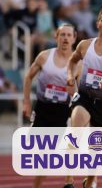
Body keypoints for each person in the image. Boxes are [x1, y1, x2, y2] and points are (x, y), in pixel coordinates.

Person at [67, 8, 102, 188]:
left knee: (96, 151)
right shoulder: (85, 45)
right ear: (98, 23)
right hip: (85, 97)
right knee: (75, 129)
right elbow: (73, 60)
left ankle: (89, 181)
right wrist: (70, 76)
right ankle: (69, 181)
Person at [23, 23, 77, 188]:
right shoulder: (44, 56)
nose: (65, 38)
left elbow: (80, 91)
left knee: (59, 150)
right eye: (62, 35)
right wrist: (26, 102)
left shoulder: (78, 62)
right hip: (43, 108)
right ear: (56, 37)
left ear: (74, 38)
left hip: (63, 111)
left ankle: (69, 181)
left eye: (69, 35)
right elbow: (28, 77)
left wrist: (71, 91)